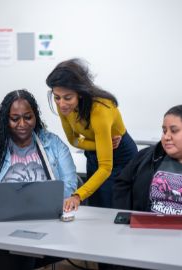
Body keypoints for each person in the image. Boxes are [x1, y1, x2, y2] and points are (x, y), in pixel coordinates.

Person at [0, 89, 77, 270]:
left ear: (36, 117)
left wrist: (37, 201)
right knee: (19, 260)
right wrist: (0, 198)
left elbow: (68, 185)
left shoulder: (53, 144)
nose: (22, 124)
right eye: (14, 118)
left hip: (44, 224)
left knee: (22, 259)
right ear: (5, 119)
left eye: (28, 117)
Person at [46, 58, 138, 211]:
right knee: (96, 206)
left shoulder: (100, 110)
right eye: (57, 97)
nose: (61, 103)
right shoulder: (64, 106)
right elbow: (73, 141)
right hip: (94, 152)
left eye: (67, 97)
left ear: (80, 93)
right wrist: (97, 146)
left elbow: (105, 168)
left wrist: (77, 195)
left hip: (120, 156)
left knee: (111, 210)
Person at [113, 104, 182, 219]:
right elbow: (122, 185)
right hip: (147, 233)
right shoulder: (146, 157)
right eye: (164, 131)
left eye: (174, 131)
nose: (166, 137)